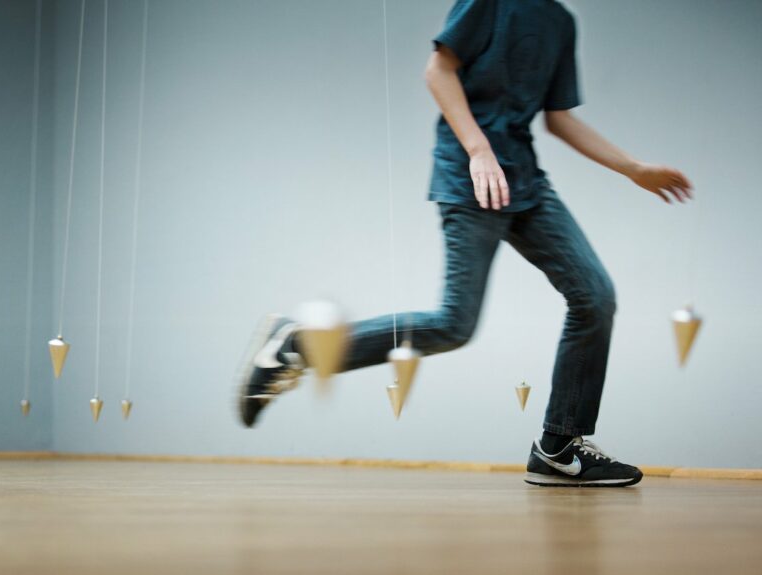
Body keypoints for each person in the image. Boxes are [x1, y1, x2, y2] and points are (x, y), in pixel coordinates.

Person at [236, 0, 692, 487]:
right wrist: (478, 149)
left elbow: (557, 117)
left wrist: (633, 168)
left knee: (595, 296)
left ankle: (559, 445)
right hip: (469, 178)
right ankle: (295, 346)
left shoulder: (560, 21)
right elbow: (438, 71)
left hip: (525, 183)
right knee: (455, 323)